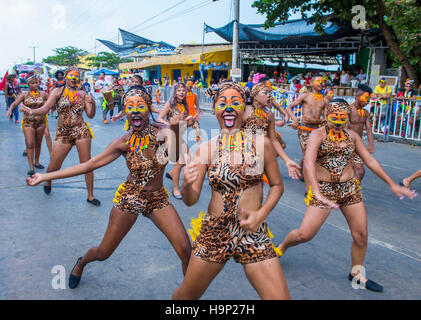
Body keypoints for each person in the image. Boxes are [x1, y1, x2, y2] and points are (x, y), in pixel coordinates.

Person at [27, 88, 191, 289]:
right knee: (103, 253)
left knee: (185, 250)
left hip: (157, 199)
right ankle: (82, 262)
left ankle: (187, 297)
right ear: (125, 112)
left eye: (140, 106)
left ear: (148, 109)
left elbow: (177, 157)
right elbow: (87, 165)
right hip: (130, 198)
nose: (135, 111)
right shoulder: (122, 142)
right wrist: (45, 176)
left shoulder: (163, 133)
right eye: (130, 107)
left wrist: (176, 129)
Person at [277, 99, 417, 292]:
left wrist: (392, 184)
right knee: (304, 234)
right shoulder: (317, 135)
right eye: (334, 115)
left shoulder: (352, 136)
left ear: (348, 118)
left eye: (343, 116)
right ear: (326, 115)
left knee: (361, 236)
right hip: (324, 191)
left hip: (349, 189)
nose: (338, 120)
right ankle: (282, 246)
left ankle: (357, 274)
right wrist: (316, 192)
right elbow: (308, 163)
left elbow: (369, 160)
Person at [172, 82, 290, 300]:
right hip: (215, 232)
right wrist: (187, 184)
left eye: (235, 103)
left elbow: (277, 185)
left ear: (244, 110)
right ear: (215, 109)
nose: (228, 108)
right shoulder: (205, 149)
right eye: (222, 103)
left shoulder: (261, 144)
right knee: (184, 299)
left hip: (252, 233)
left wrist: (260, 215)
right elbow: (190, 200)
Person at [20, 67, 100, 206]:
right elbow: (45, 109)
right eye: (71, 76)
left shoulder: (82, 94)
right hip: (63, 132)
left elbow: (91, 115)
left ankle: (90, 195)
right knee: (55, 165)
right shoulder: (57, 91)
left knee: (87, 164)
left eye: (76, 76)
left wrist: (91, 101)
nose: (74, 79)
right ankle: (48, 179)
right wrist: (32, 111)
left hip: (81, 130)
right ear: (66, 77)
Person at [286, 75, 328, 181]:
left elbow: (326, 117)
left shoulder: (325, 100)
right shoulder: (305, 96)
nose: (320, 83)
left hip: (316, 131)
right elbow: (289, 107)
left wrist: (320, 122)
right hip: (304, 129)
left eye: (322, 81)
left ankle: (301, 170)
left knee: (311, 154)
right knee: (309, 155)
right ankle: (309, 184)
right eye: (318, 81)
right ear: (311, 83)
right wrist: (295, 119)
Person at [157, 82, 195, 199]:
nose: (181, 93)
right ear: (175, 92)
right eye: (179, 91)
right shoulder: (170, 104)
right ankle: (175, 189)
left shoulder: (185, 105)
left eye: (183, 91)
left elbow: (183, 125)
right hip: (170, 136)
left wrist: (191, 121)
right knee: (179, 162)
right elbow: (159, 118)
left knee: (187, 160)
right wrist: (168, 124)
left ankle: (173, 173)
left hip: (179, 135)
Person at [6, 73, 47, 175]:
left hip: (41, 123)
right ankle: (31, 167)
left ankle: (36, 162)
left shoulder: (43, 94)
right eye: (32, 83)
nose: (35, 85)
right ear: (28, 84)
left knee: (38, 144)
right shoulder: (24, 95)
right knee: (29, 144)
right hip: (28, 123)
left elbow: (51, 103)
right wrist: (10, 109)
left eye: (37, 83)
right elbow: (15, 103)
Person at [348, 84, 375, 182]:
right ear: (358, 96)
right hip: (346, 144)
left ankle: (351, 193)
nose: (368, 102)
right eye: (366, 98)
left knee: (359, 171)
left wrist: (371, 145)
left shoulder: (366, 113)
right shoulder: (349, 110)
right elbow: (344, 129)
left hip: (357, 146)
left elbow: (368, 130)